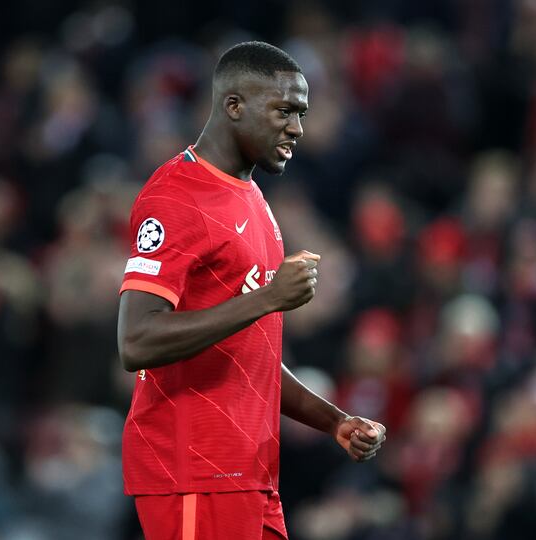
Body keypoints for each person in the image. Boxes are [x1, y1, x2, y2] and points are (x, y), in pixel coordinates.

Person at [116, 41, 386, 539]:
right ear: (233, 106)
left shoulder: (252, 197)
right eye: (284, 111)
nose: (297, 128)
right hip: (194, 469)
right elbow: (137, 341)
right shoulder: (175, 196)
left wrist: (332, 421)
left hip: (249, 474)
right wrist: (268, 298)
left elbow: (248, 352)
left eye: (302, 113)